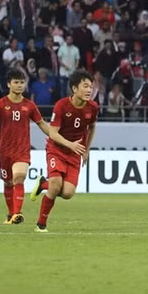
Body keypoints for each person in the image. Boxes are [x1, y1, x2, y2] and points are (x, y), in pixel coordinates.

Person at [0, 68, 51, 224]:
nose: (19, 85)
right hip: (4, 151)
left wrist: (55, 137)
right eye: (16, 82)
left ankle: (17, 213)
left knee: (19, 178)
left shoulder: (29, 105)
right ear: (9, 84)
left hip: (22, 150)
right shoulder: (1, 103)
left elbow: (42, 123)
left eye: (22, 82)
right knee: (8, 182)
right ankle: (10, 214)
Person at [28, 70, 99, 233]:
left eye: (91, 87)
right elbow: (53, 133)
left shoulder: (93, 108)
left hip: (74, 154)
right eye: (85, 86)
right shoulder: (61, 105)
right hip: (56, 149)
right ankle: (41, 225)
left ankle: (43, 183)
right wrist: (71, 145)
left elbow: (93, 126)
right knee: (55, 185)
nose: (89, 90)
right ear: (75, 89)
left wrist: (86, 149)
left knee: (67, 193)